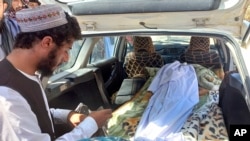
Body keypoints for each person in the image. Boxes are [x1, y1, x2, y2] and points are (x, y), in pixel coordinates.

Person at [0, 4, 112, 141]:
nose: (67, 58)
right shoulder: (7, 95)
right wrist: (91, 124)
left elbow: (35, 114)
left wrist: (68, 115)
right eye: (66, 50)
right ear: (47, 42)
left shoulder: (28, 75)